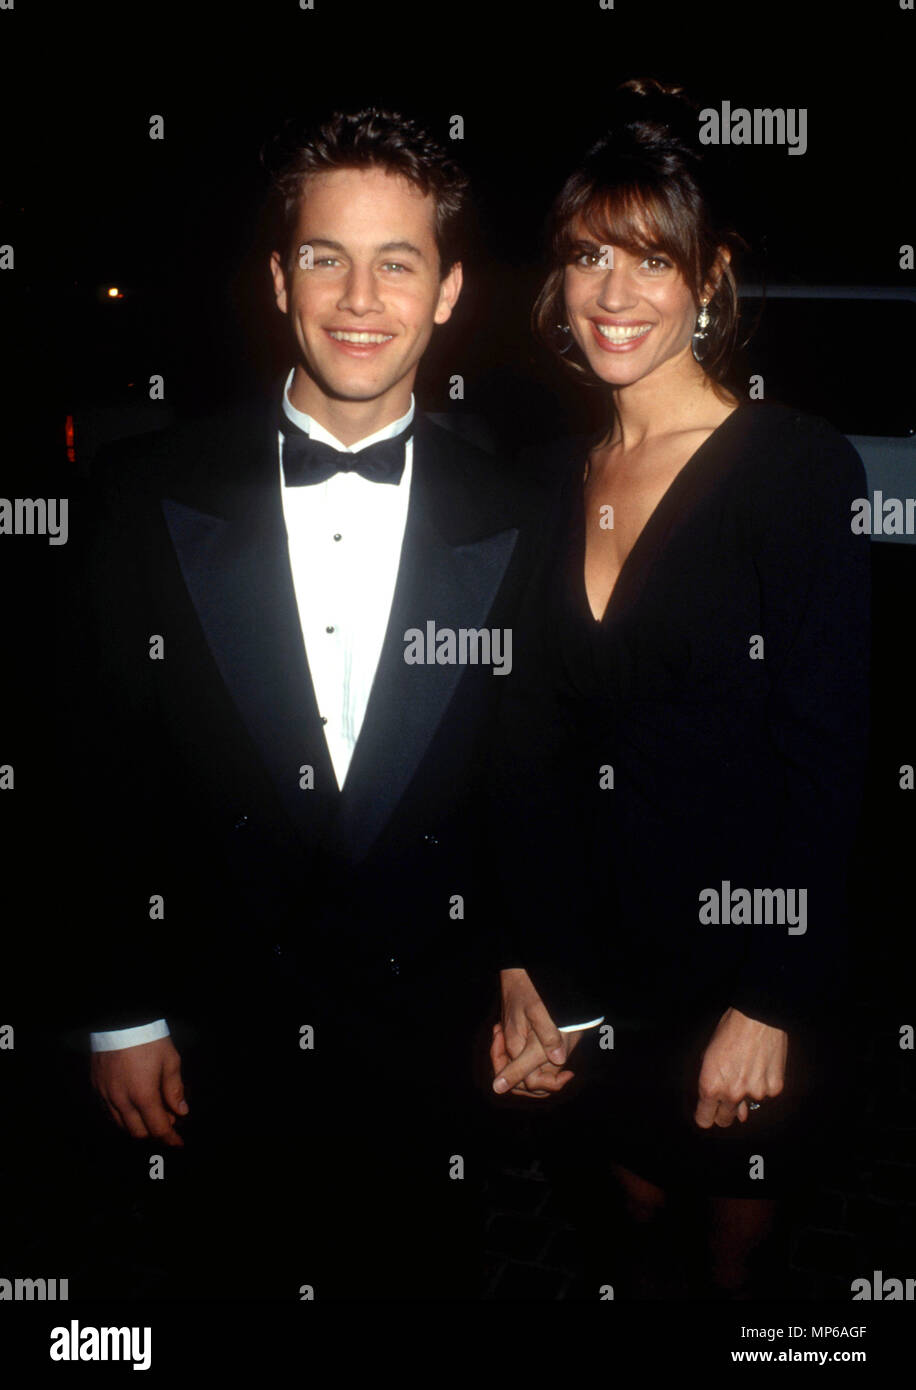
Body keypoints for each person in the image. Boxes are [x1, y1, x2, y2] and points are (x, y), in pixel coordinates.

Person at [72, 107, 548, 1300]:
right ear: (281, 279)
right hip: (214, 1031)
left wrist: (532, 964)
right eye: (326, 256)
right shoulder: (142, 495)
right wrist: (119, 1013)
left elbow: (531, 769)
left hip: (429, 1043)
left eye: (399, 262)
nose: (358, 297)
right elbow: (95, 766)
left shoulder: (524, 514)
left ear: (447, 294)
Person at [488, 79, 871, 1299]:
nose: (613, 293)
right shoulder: (546, 478)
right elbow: (523, 748)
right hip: (596, 957)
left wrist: (771, 997)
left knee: (733, 1247)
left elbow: (831, 752)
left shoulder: (795, 467)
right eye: (588, 255)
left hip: (748, 963)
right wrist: (520, 965)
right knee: (631, 1213)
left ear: (707, 282)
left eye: (651, 260)